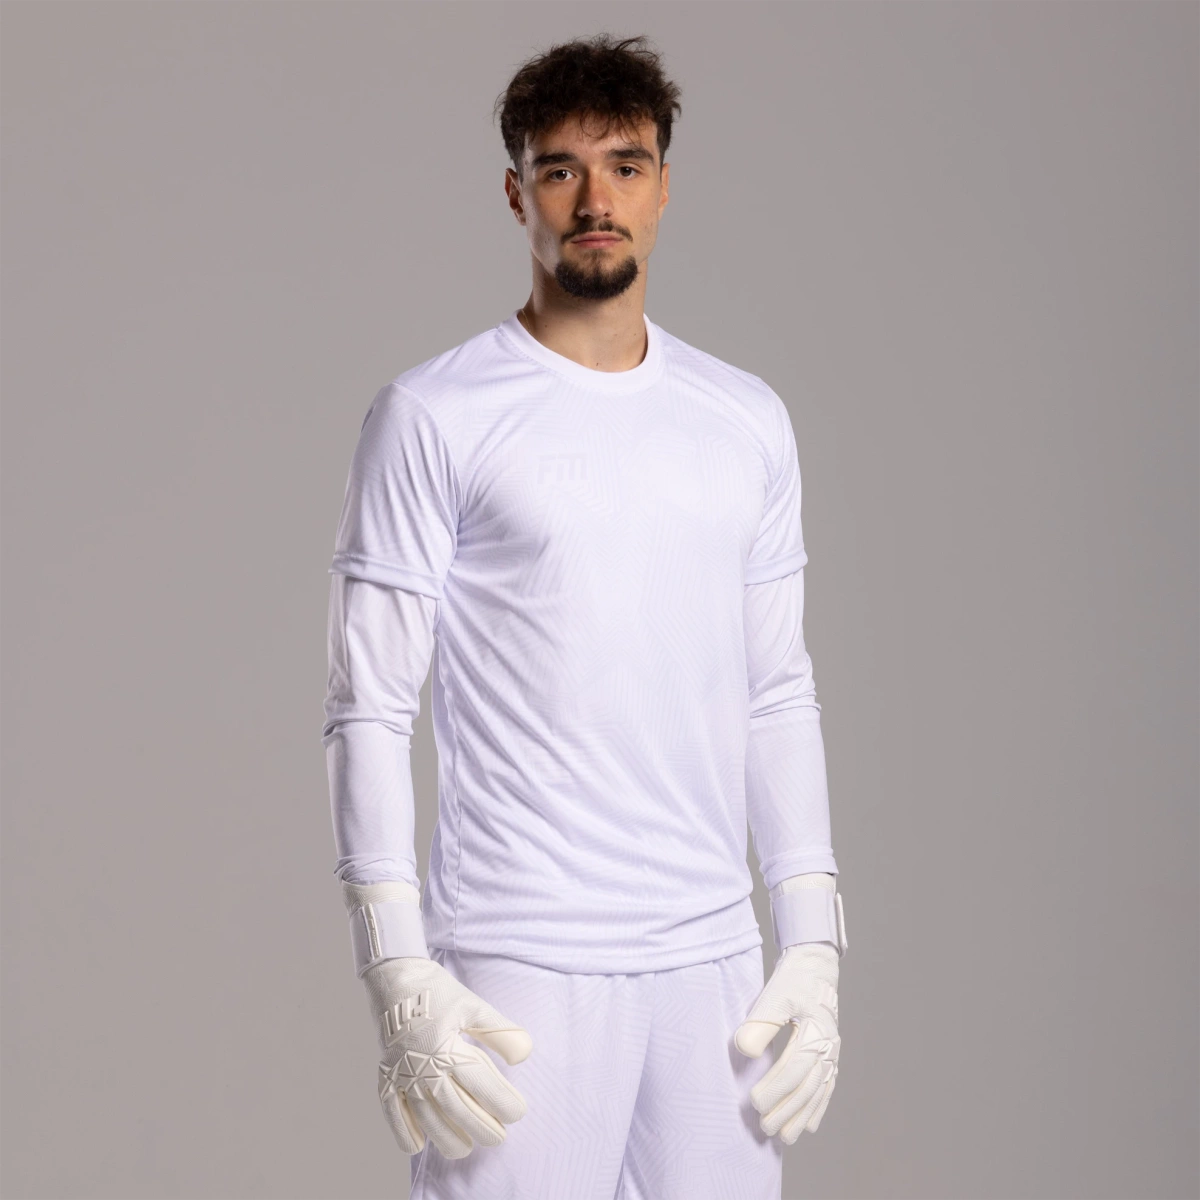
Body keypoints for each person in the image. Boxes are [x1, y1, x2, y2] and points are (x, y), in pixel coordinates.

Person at [322, 33, 848, 1200]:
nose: (595, 201)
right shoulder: (434, 415)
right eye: (561, 170)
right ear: (519, 194)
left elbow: (777, 688)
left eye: (625, 165)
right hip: (522, 961)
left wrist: (813, 940)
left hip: (715, 965)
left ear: (664, 186)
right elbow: (370, 708)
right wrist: (396, 970)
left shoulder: (745, 419)